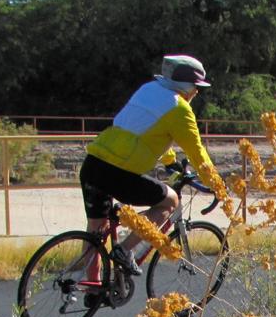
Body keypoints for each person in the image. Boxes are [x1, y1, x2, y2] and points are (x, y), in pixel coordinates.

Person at [79, 54, 218, 276]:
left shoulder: (148, 90)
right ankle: (124, 250)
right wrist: (215, 184)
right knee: (169, 202)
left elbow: (145, 131)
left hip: (93, 163)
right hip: (118, 172)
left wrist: (171, 161)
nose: (197, 91)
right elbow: (196, 151)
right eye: (195, 86)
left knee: (96, 229)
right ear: (185, 85)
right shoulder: (180, 108)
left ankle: (91, 289)